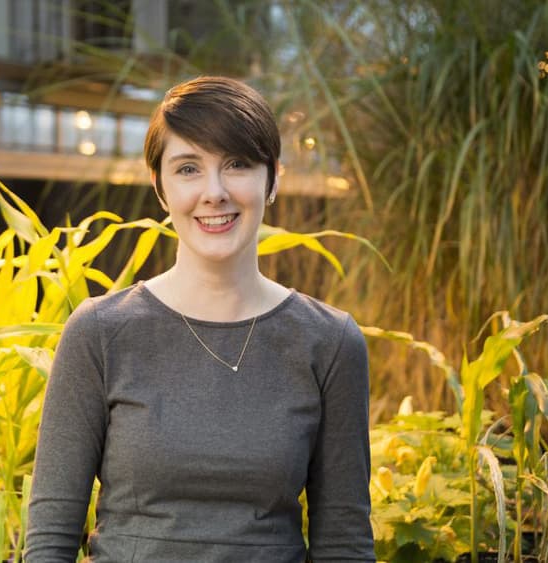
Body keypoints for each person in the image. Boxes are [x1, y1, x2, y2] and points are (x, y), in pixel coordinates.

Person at [24, 76, 374, 562]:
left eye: (237, 165)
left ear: (273, 178)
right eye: (188, 168)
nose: (214, 192)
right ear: (160, 188)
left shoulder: (329, 342)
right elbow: (50, 540)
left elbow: (344, 542)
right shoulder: (101, 332)